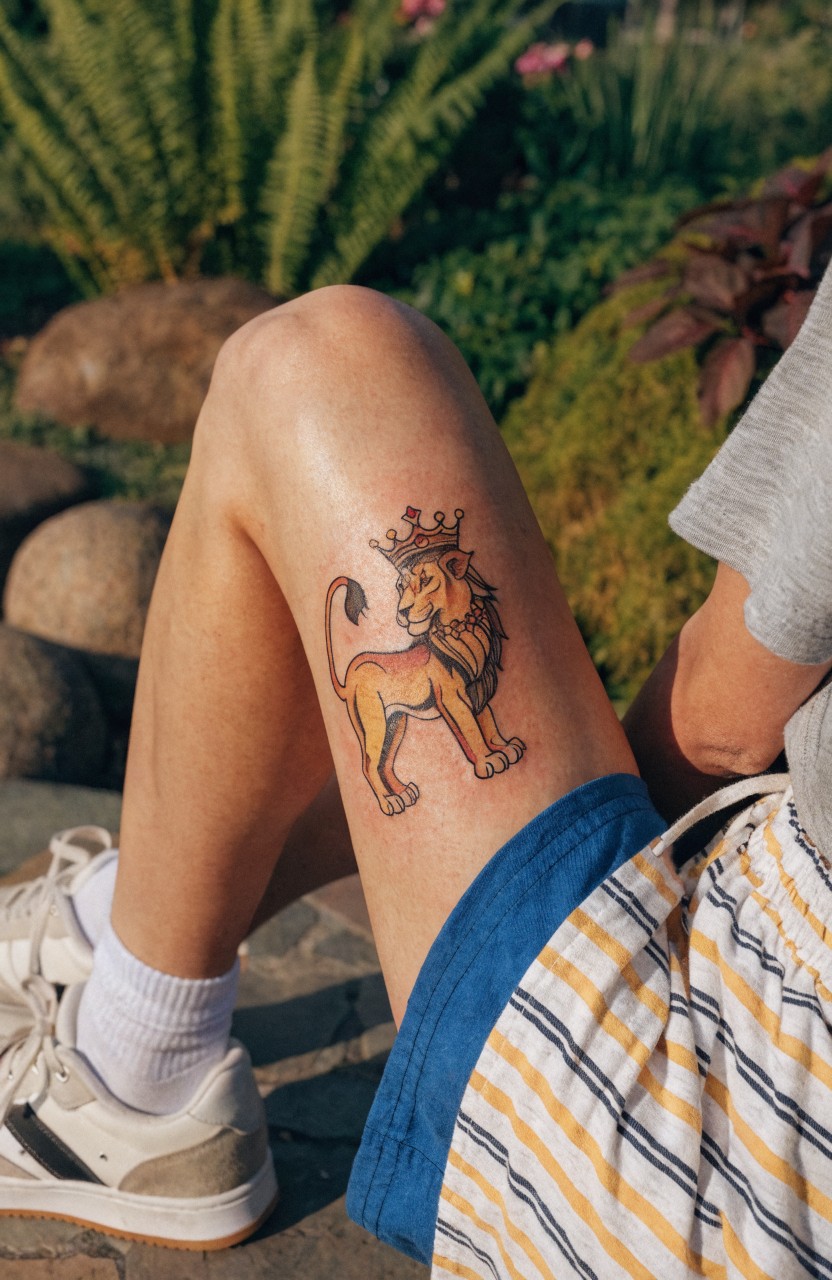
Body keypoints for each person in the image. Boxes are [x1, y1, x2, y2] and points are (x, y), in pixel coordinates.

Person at [0, 266, 829, 1272]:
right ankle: (122, 916)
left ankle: (133, 1060)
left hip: (694, 1178)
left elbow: (719, 726)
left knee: (323, 360)